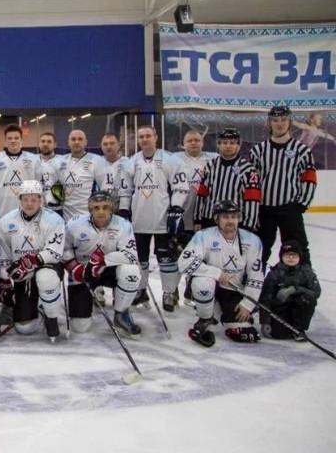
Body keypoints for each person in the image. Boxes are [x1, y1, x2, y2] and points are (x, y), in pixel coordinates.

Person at [119, 125, 188, 311]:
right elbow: (125, 190)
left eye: (148, 135)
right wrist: (124, 210)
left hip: (162, 219)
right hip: (138, 220)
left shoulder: (170, 160)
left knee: (166, 258)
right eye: (141, 136)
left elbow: (181, 187)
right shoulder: (131, 162)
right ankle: (141, 291)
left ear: (156, 137)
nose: (144, 139)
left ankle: (168, 293)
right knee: (140, 258)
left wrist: (176, 209)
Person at [178, 200, 264, 347]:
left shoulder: (252, 240)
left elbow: (256, 275)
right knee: (203, 282)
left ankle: (218, 310)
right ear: (216, 219)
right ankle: (205, 317)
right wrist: (217, 274)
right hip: (211, 286)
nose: (230, 221)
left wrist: (248, 304)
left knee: (243, 332)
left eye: (234, 217)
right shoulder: (203, 236)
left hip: (234, 290)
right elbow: (184, 262)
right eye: (225, 217)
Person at [63, 191, 142, 338]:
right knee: (80, 327)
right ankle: (88, 299)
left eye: (105, 207)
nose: (101, 212)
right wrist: (74, 268)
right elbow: (64, 249)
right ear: (90, 209)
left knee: (131, 271)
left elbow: (131, 255)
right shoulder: (74, 224)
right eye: (96, 207)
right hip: (83, 272)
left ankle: (121, 314)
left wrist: (103, 261)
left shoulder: (123, 224)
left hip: (109, 270)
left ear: (111, 208)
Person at [0, 181, 66, 341]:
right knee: (24, 327)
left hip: (48, 267)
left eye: (34, 199)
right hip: (22, 274)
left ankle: (51, 318)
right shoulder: (6, 222)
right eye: (25, 199)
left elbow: (55, 253)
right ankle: (38, 310)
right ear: (20, 200)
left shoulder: (54, 220)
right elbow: (4, 255)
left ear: (40, 200)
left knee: (45, 278)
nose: (29, 203)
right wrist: (4, 281)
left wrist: (32, 260)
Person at [250, 104, 316, 265]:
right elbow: (252, 182)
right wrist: (254, 208)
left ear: (289, 121)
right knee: (259, 249)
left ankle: (304, 278)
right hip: (264, 210)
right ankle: (254, 279)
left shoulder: (302, 150)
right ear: (269, 122)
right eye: (275, 120)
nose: (279, 123)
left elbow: (309, 179)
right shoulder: (258, 151)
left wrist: (301, 204)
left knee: (298, 247)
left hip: (290, 208)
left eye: (283, 119)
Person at [194, 128, 260, 232]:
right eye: (224, 143)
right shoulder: (210, 165)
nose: (228, 146)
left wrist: (249, 224)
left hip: (234, 221)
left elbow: (252, 199)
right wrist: (197, 219)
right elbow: (202, 194)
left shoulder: (248, 169)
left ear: (238, 145)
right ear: (218, 145)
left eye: (232, 143)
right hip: (210, 218)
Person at [259, 239, 320, 341]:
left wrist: (296, 289)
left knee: (308, 299)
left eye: (294, 255)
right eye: (287, 255)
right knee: (278, 335)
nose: (291, 258)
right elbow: (265, 298)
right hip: (280, 309)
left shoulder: (307, 272)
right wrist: (265, 321)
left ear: (300, 257)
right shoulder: (274, 274)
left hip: (299, 307)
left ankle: (299, 329)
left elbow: (316, 292)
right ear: (281, 256)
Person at [0, 126, 44, 225]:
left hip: (30, 209)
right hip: (4, 210)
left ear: (21, 140)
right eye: (9, 138)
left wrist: (42, 208)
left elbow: (41, 186)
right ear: (5, 141)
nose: (13, 141)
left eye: (16, 138)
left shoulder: (33, 160)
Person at [49, 129, 109, 220]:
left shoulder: (97, 161)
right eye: (73, 139)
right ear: (68, 142)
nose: (76, 142)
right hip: (64, 216)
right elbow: (50, 185)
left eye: (80, 139)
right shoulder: (59, 161)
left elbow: (105, 189)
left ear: (86, 142)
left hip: (88, 216)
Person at [173, 129, 217, 235]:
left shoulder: (214, 158)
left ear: (202, 143)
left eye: (197, 140)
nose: (193, 143)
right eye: (189, 141)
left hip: (207, 213)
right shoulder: (174, 159)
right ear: (183, 144)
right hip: (183, 212)